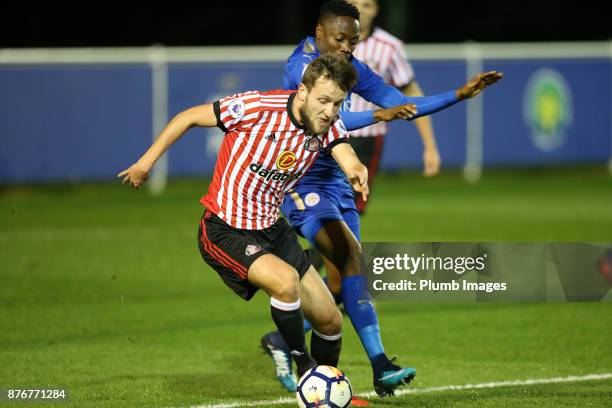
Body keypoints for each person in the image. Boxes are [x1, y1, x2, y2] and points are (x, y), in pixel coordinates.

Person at [259, 0, 503, 397]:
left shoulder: (349, 69)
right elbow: (323, 119)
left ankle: (288, 346)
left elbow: (396, 101)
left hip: (338, 182)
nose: (348, 48)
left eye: (353, 41)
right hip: (302, 184)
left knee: (342, 279)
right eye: (340, 39)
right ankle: (378, 364)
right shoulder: (299, 70)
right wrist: (375, 117)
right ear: (319, 33)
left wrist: (458, 95)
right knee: (352, 259)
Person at [119, 55, 376, 379]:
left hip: (273, 230)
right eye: (324, 100)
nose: (329, 111)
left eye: (337, 103)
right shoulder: (257, 108)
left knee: (329, 319)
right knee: (285, 282)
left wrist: (355, 169)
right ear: (302, 92)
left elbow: (344, 152)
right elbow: (187, 117)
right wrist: (146, 162)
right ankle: (305, 369)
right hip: (225, 229)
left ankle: (323, 394)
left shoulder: (328, 123)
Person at [348, 0, 440, 214]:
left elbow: (412, 94)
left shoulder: (389, 47)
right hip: (328, 135)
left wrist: (430, 146)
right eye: (353, 3)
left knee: (350, 208)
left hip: (366, 138)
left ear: (376, 10)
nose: (360, 10)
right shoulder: (324, 43)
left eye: (367, 4)